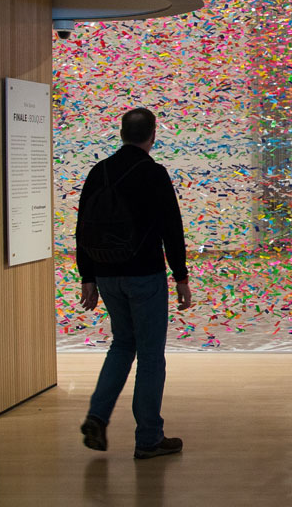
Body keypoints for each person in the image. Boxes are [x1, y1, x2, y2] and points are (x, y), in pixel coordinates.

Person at [76, 108, 193, 459]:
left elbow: (83, 227)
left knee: (122, 345)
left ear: (122, 133)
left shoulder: (100, 171)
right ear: (152, 135)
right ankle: (148, 439)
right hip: (144, 274)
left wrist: (88, 277)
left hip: (108, 275)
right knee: (151, 356)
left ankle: (97, 416)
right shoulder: (153, 174)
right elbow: (171, 229)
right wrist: (181, 276)